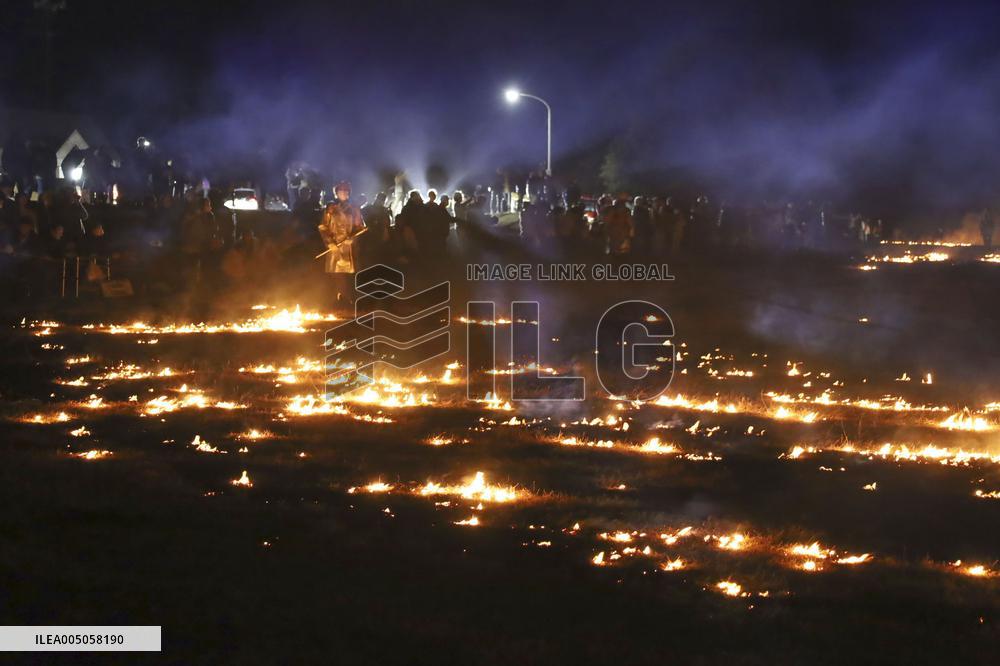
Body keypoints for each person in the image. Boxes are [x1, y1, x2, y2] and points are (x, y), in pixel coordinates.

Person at [317, 181, 366, 303]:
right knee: (336, 275)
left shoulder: (354, 208)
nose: (343, 193)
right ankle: (335, 300)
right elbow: (323, 227)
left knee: (349, 276)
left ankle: (350, 300)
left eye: (346, 190)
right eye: (341, 190)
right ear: (336, 193)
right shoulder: (330, 208)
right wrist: (330, 243)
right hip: (334, 247)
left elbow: (360, 227)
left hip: (349, 248)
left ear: (349, 193)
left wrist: (353, 238)